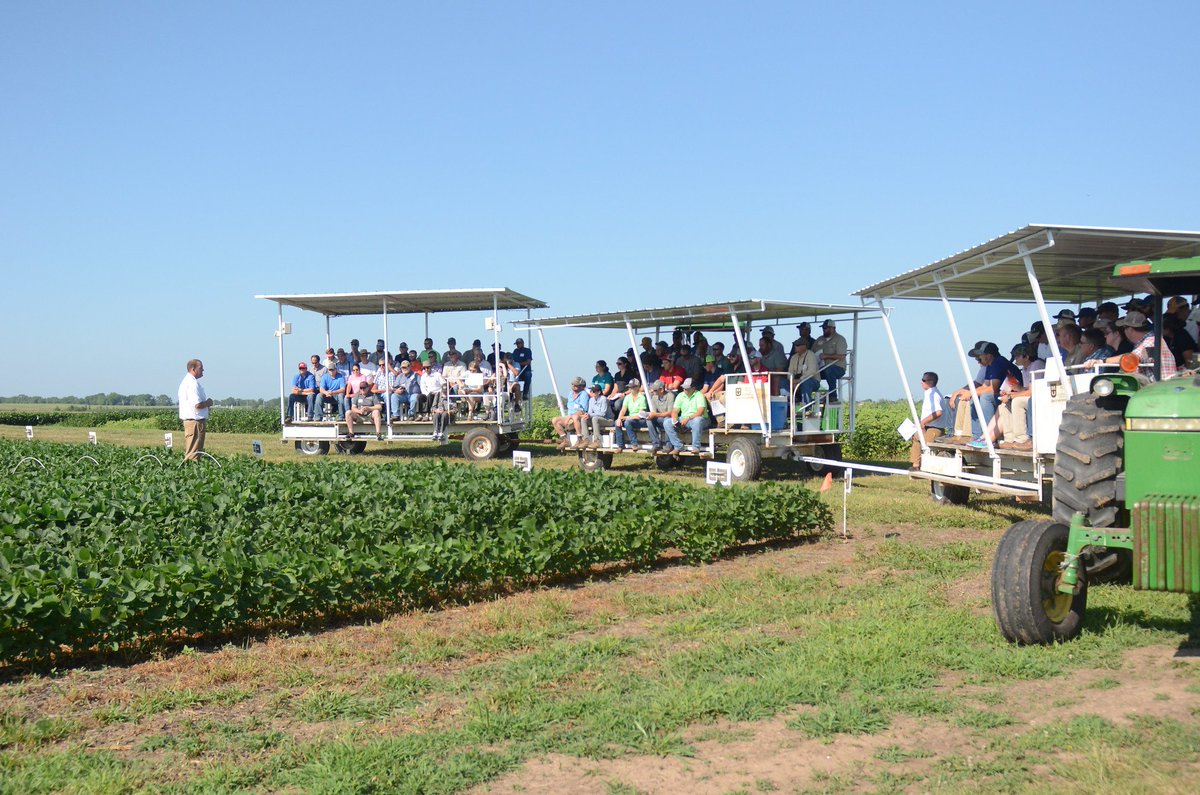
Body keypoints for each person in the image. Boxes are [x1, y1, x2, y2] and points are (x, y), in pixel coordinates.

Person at [967, 341, 1024, 448]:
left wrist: (971, 392)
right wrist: (971, 393)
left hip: (1015, 393)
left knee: (986, 397)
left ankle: (991, 437)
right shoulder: (990, 364)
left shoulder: (998, 362)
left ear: (988, 355)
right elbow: (985, 385)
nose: (978, 359)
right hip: (1005, 393)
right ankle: (980, 436)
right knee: (975, 397)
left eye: (980, 356)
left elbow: (993, 388)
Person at [996, 345, 1043, 450]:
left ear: (1026, 357)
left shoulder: (1036, 365)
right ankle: (1009, 439)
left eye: (1017, 356)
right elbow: (1026, 389)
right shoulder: (1025, 369)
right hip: (1031, 396)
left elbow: (1032, 391)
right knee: (1004, 405)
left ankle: (1021, 439)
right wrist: (1015, 389)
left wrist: (1012, 395)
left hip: (1039, 397)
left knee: (1017, 402)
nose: (1015, 359)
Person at [1107, 310, 1176, 379]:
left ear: (1130, 330)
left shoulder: (1151, 341)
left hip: (1160, 387)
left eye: (1124, 328)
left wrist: (1103, 361)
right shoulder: (1149, 341)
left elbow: (1131, 357)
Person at [177, 359, 213, 461]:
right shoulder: (192, 384)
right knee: (194, 454)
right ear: (193, 369)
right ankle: (191, 473)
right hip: (195, 423)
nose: (203, 370)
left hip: (192, 422)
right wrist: (208, 403)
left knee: (193, 452)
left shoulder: (187, 382)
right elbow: (197, 404)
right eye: (200, 368)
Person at [910, 371, 947, 468]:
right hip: (928, 427)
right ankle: (916, 465)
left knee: (926, 446)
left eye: (923, 380)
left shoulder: (933, 395)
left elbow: (938, 412)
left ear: (930, 382)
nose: (921, 382)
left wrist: (923, 422)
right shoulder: (929, 393)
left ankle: (927, 467)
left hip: (934, 428)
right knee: (916, 437)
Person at [812, 320, 848, 401]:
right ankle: (805, 396)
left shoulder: (840, 339)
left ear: (833, 328)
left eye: (826, 328)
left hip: (838, 368)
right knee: (808, 371)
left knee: (829, 370)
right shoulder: (819, 339)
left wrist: (827, 356)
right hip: (820, 367)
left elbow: (842, 356)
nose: (824, 330)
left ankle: (832, 395)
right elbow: (812, 352)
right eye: (823, 328)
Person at [671, 378, 709, 452]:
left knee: (697, 420)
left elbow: (700, 412)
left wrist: (688, 418)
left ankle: (696, 447)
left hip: (701, 419)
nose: (684, 390)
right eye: (683, 388)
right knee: (667, 422)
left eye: (686, 388)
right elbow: (675, 410)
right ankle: (678, 446)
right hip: (684, 419)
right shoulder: (680, 395)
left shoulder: (699, 395)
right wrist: (674, 418)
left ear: (693, 388)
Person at [552, 376, 590, 450]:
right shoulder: (570, 394)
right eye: (573, 385)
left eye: (576, 385)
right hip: (570, 417)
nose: (573, 386)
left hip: (579, 417)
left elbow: (583, 410)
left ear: (581, 386)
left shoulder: (583, 394)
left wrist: (570, 417)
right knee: (555, 420)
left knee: (575, 417)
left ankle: (580, 439)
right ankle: (565, 440)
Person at [645, 379, 683, 453]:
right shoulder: (654, 397)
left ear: (661, 389)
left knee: (667, 420)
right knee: (649, 420)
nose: (653, 392)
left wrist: (655, 414)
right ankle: (655, 444)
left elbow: (670, 413)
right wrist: (649, 415)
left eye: (655, 390)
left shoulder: (670, 396)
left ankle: (668, 445)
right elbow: (654, 411)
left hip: (669, 419)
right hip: (660, 419)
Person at [612, 379, 648, 451]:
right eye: (630, 387)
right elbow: (623, 409)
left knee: (627, 422)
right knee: (617, 422)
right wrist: (619, 419)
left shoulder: (642, 398)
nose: (631, 389)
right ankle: (620, 445)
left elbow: (640, 415)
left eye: (632, 387)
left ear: (638, 387)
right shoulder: (628, 397)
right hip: (631, 419)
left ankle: (634, 443)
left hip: (641, 420)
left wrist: (627, 417)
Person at [787, 338, 821, 411]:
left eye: (798, 345)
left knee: (806, 383)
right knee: (782, 382)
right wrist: (792, 380)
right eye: (795, 345)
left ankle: (807, 409)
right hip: (796, 381)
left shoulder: (811, 355)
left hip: (812, 381)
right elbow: (789, 372)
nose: (795, 346)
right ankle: (788, 408)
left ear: (804, 346)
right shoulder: (794, 357)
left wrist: (799, 380)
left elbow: (812, 371)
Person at [580, 383, 613, 450]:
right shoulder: (591, 400)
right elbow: (590, 412)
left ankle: (597, 441)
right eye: (591, 391)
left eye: (594, 391)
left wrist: (590, 415)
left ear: (599, 392)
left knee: (595, 419)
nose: (591, 392)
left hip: (608, 420)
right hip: (597, 419)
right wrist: (586, 415)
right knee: (584, 419)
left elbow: (603, 413)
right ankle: (585, 440)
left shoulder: (603, 399)